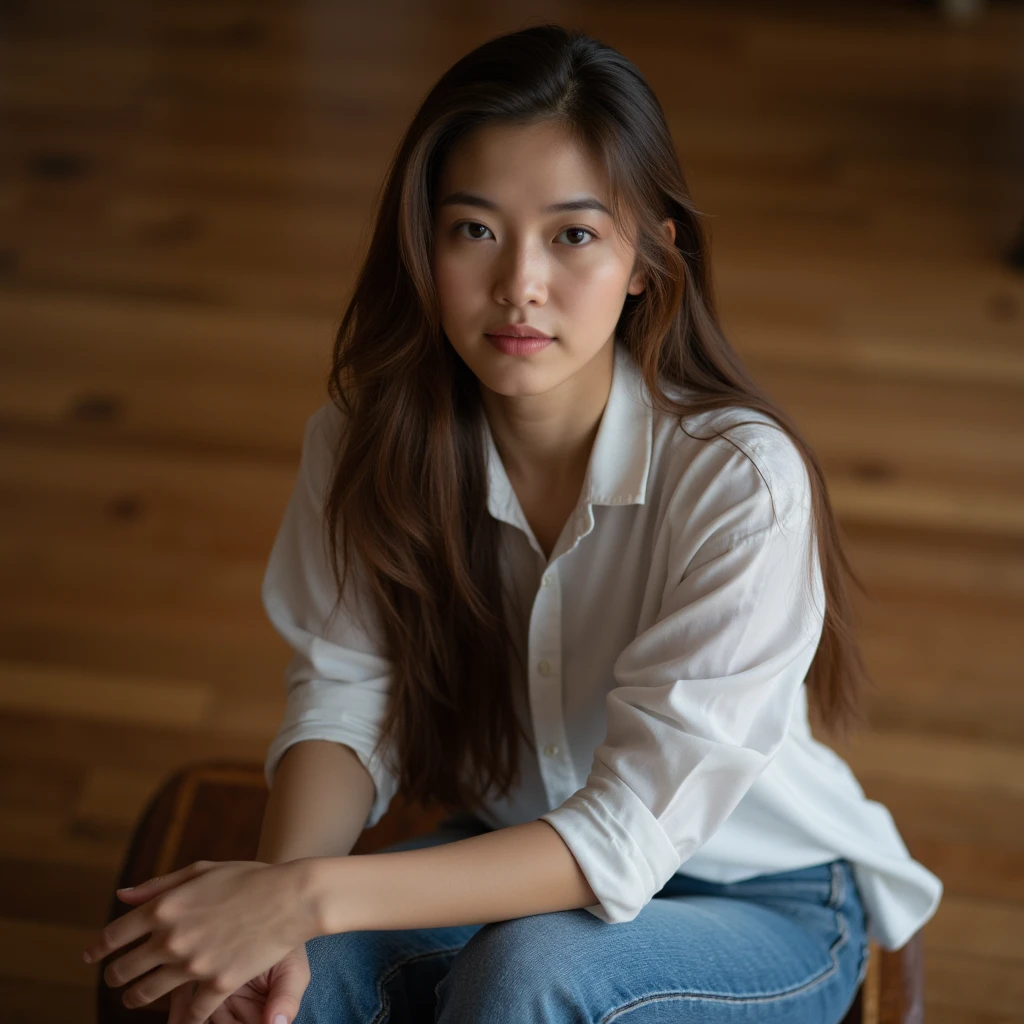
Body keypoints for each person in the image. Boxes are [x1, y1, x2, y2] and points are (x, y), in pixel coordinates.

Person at [251, 22, 943, 1024]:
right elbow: (347, 696)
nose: (518, 284)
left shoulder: (740, 479)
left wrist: (300, 895)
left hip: (758, 892)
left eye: (572, 234)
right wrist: (278, 915)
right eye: (474, 229)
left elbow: (626, 833)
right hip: (518, 852)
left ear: (648, 256)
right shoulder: (360, 441)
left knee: (529, 976)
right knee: (294, 977)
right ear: (423, 243)